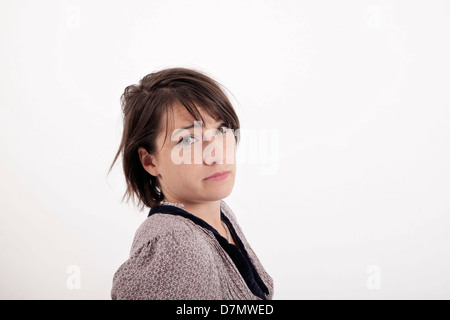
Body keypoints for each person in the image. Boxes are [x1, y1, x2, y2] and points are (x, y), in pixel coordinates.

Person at [110, 67, 273, 300]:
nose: (215, 154)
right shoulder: (176, 244)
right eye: (188, 139)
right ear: (150, 161)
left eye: (222, 129)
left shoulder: (219, 213)